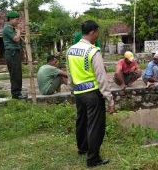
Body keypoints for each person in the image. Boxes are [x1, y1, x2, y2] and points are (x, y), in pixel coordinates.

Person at [66, 20, 115, 168]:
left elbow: (69, 73)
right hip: (93, 94)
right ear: (92, 32)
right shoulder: (93, 51)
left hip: (79, 92)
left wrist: (72, 89)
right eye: (97, 33)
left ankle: (82, 148)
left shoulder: (70, 50)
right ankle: (93, 158)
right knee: (95, 125)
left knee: (81, 121)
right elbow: (101, 77)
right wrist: (109, 98)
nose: (98, 36)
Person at [2, 11, 27, 99]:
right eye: (17, 20)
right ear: (11, 19)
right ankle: (16, 94)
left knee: (18, 73)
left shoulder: (12, 28)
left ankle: (18, 93)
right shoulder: (7, 28)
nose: (18, 22)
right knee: (15, 74)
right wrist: (19, 30)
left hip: (15, 53)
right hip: (12, 53)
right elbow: (16, 39)